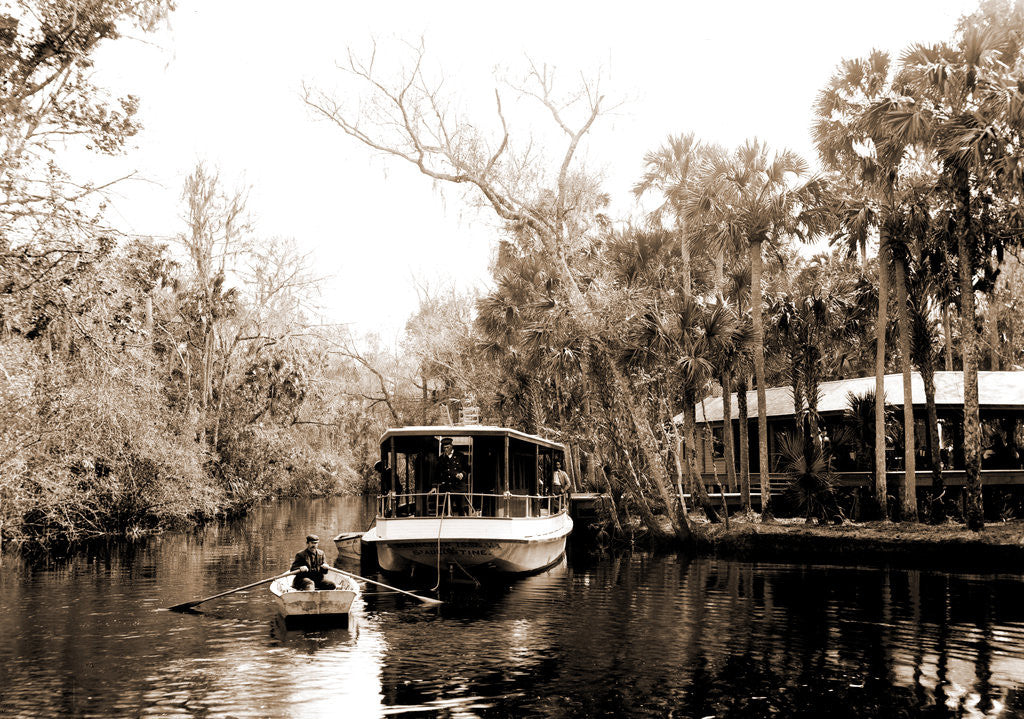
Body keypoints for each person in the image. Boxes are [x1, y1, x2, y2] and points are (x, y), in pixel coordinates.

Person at [436, 437, 468, 514]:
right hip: (447, 487)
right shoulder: (441, 459)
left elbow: (467, 469)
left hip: (459, 487)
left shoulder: (460, 456)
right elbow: (437, 473)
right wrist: (434, 486)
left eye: (447, 447)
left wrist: (462, 474)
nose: (446, 449)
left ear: (451, 446)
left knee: (461, 508)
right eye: (444, 448)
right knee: (447, 510)